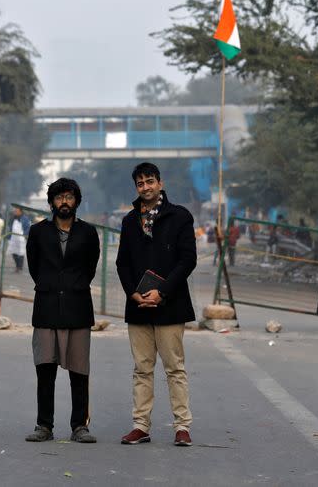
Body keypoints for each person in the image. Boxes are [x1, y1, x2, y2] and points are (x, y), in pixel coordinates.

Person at [116, 162, 196, 447]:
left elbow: (188, 260)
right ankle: (141, 426)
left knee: (174, 367)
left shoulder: (180, 217)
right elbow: (122, 263)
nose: (145, 187)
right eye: (140, 183)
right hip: (138, 306)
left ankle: (182, 426)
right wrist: (132, 293)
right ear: (136, 187)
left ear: (160, 183)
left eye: (150, 181)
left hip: (170, 304)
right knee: (142, 368)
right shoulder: (129, 220)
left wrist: (162, 292)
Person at [24, 178, 100, 444]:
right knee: (45, 371)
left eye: (69, 197)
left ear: (76, 201)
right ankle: (44, 425)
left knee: (80, 372)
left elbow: (90, 267)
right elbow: (35, 268)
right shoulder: (37, 232)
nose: (64, 202)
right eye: (59, 197)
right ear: (51, 202)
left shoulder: (88, 233)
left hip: (78, 308)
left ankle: (80, 426)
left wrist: (72, 286)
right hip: (46, 308)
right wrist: (51, 286)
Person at [10, 207, 28, 273]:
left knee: (21, 253)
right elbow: (10, 226)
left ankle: (19, 267)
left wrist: (25, 235)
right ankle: (17, 265)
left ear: (21, 212)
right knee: (13, 252)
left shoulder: (25, 219)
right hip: (13, 237)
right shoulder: (13, 218)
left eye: (17, 211)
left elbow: (27, 228)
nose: (15, 212)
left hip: (21, 238)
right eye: (15, 211)